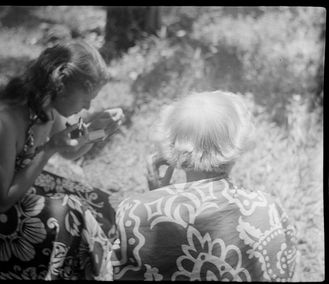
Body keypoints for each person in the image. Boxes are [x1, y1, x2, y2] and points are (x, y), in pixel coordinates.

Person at [0, 40, 124, 280]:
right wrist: (49, 148)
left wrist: (98, 132)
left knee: (103, 202)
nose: (88, 106)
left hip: (21, 187)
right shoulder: (1, 119)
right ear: (60, 85)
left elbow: (70, 149)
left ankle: (120, 268)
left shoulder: (45, 106)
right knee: (71, 215)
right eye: (86, 98)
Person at [111, 91, 298, 281]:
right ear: (238, 144)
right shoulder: (268, 207)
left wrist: (158, 196)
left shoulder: (135, 212)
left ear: (171, 147)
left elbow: (120, 272)